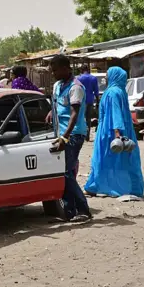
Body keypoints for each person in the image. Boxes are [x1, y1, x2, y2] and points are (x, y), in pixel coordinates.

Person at [84, 67, 144, 198]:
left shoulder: (112, 93)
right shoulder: (120, 91)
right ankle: (130, 187)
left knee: (102, 158)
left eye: (107, 75)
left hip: (110, 131)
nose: (105, 78)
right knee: (124, 160)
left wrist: (117, 133)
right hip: (122, 129)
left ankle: (96, 186)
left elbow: (115, 112)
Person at [47, 54, 92, 222]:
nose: (53, 73)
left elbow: (75, 114)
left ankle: (83, 210)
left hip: (73, 134)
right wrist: (52, 111)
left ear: (66, 68)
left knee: (66, 173)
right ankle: (69, 210)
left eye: (56, 70)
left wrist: (64, 138)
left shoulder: (76, 87)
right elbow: (57, 103)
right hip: (62, 133)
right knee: (64, 172)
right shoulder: (58, 85)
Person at [77, 64, 99, 141]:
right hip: (90, 100)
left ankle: (81, 135)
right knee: (88, 119)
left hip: (80, 101)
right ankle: (87, 136)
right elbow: (96, 91)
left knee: (81, 118)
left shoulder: (78, 78)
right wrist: (98, 101)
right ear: (88, 69)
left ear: (81, 70)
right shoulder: (93, 78)